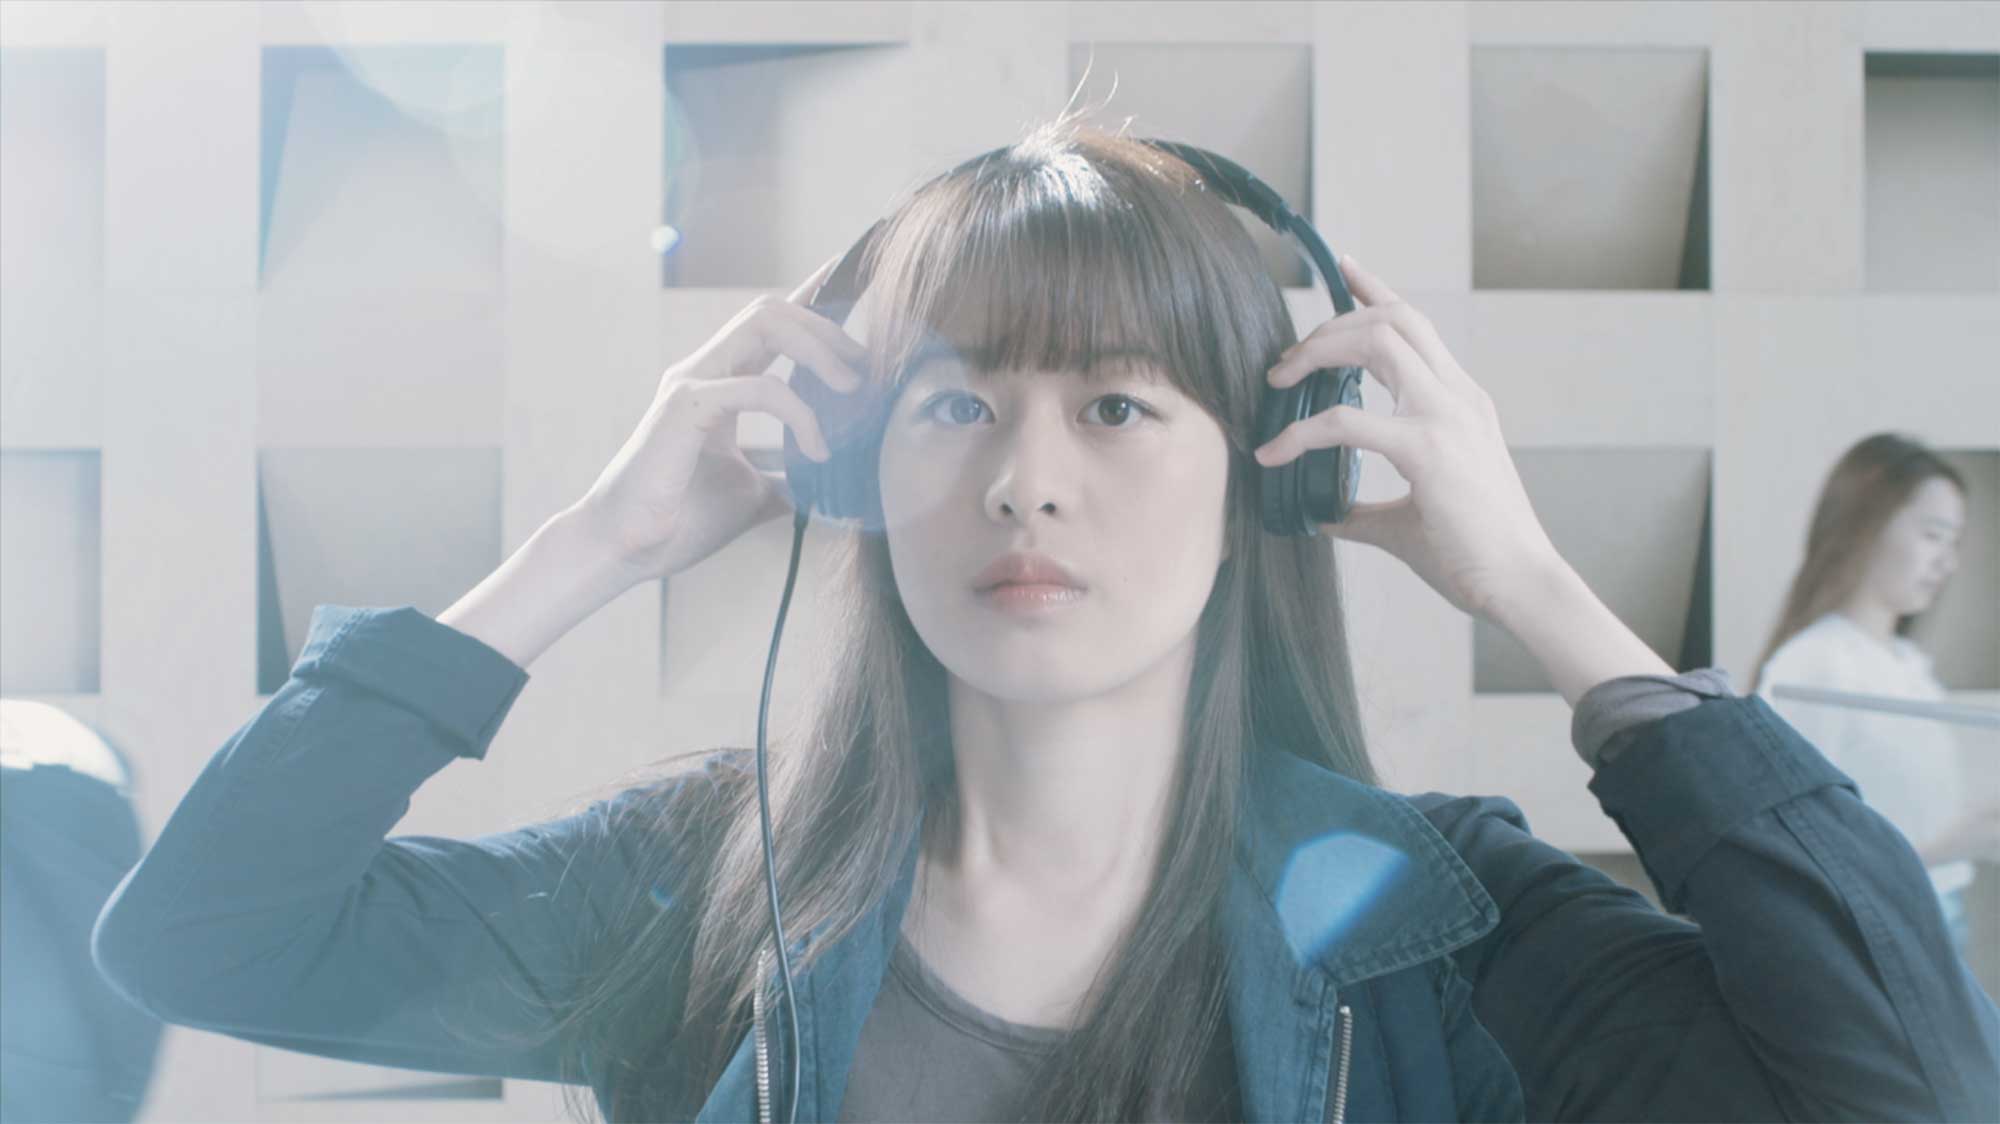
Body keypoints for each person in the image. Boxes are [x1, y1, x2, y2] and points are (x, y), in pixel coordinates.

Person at [92, 118, 1999, 1123]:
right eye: (955, 406)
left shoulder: (1444, 928)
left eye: (1114, 406)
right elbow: (204, 931)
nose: (1024, 480)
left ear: (1269, 475)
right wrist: (594, 543)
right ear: (853, 471)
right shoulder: (708, 883)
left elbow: (1901, 1091)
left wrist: (1540, 589)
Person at [1751, 433, 1999, 955]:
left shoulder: (1908, 666)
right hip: (1874, 934)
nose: (1948, 562)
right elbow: (1794, 851)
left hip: (1932, 916)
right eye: (1933, 535)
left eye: (1954, 543)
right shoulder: (1815, 666)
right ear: (1865, 527)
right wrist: (1953, 844)